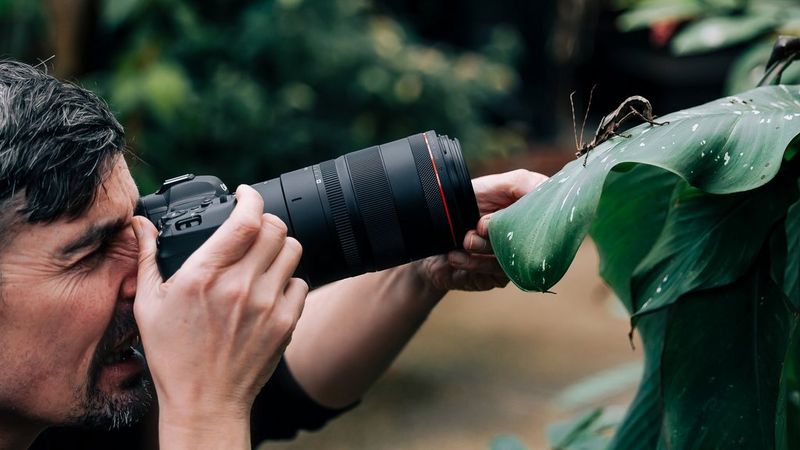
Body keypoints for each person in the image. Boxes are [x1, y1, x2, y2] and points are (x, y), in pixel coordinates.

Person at [0, 60, 547, 450]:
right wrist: (205, 414)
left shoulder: (71, 415)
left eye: (139, 229)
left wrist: (422, 266)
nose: (147, 276)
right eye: (91, 252)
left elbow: (287, 385)